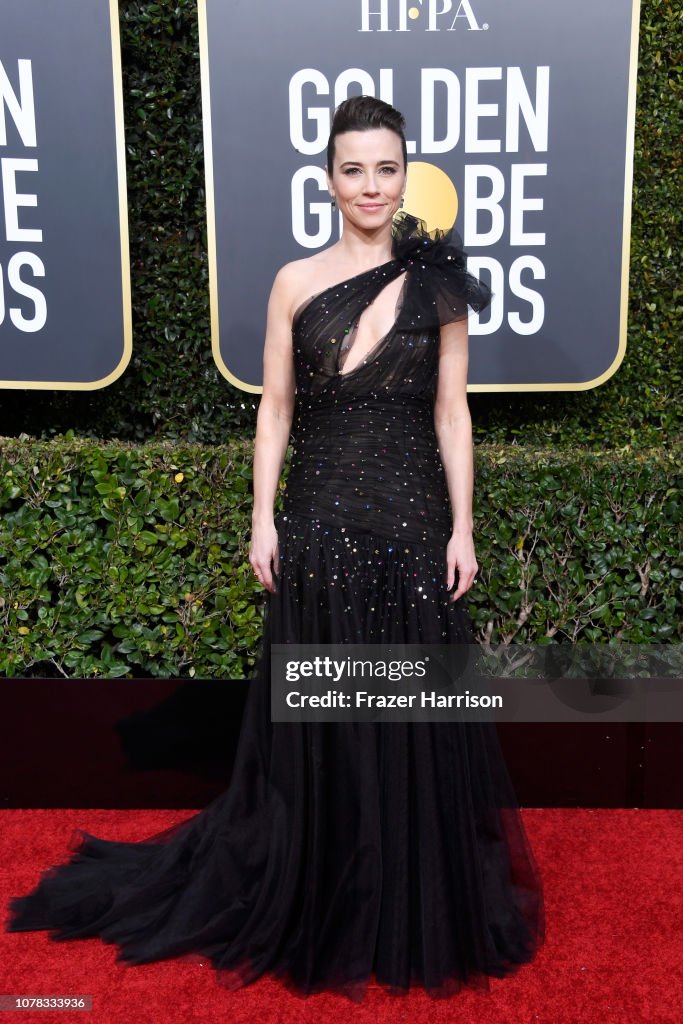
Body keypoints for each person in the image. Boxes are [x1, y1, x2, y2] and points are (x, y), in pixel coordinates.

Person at [6, 96, 544, 1000]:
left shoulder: (441, 284)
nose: (370, 185)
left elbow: (453, 414)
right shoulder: (295, 281)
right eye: (352, 169)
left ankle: (407, 895)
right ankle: (326, 887)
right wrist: (264, 520)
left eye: (385, 167)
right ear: (327, 180)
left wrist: (462, 526)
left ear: (404, 174)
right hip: (322, 525)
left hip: (414, 529)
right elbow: (276, 409)